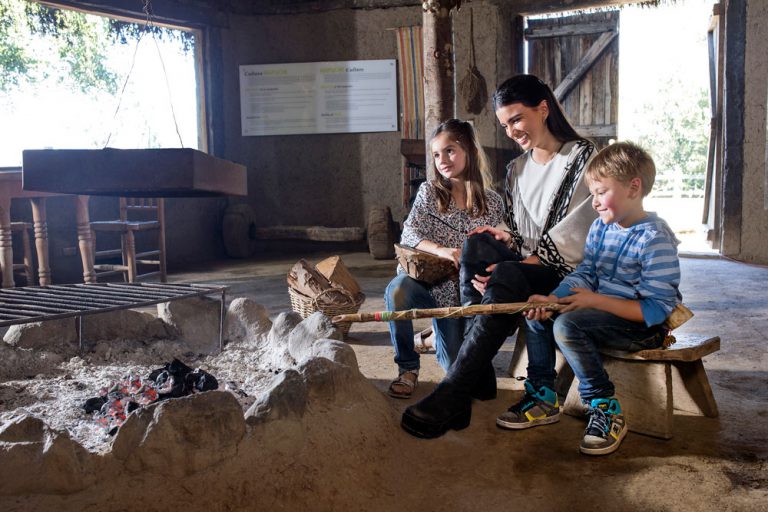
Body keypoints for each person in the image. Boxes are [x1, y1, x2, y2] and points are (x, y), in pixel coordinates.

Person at [401, 74, 597, 437]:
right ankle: (476, 372)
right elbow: (520, 227)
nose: (511, 131)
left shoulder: (583, 157)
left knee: (506, 276)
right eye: (505, 124)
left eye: (517, 119)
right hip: (524, 265)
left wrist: (523, 264)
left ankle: (455, 390)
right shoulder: (517, 169)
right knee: (477, 244)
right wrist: (502, 234)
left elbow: (585, 226)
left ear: (543, 109)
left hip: (566, 271)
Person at [500, 142, 681, 455]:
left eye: (600, 192)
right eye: (592, 193)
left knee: (567, 326)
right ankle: (543, 395)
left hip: (642, 327)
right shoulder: (600, 228)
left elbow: (655, 308)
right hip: (601, 314)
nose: (594, 202)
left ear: (633, 187)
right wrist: (552, 298)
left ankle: (605, 407)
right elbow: (586, 274)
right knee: (539, 314)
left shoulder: (654, 238)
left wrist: (594, 302)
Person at [384, 119, 504, 399]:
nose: (442, 160)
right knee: (397, 291)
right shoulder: (430, 192)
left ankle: (432, 336)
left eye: (450, 151)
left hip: (461, 295)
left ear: (469, 151)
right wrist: (442, 250)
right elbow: (410, 232)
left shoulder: (493, 203)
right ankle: (408, 367)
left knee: (456, 371)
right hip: (426, 281)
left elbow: (497, 247)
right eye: (437, 154)